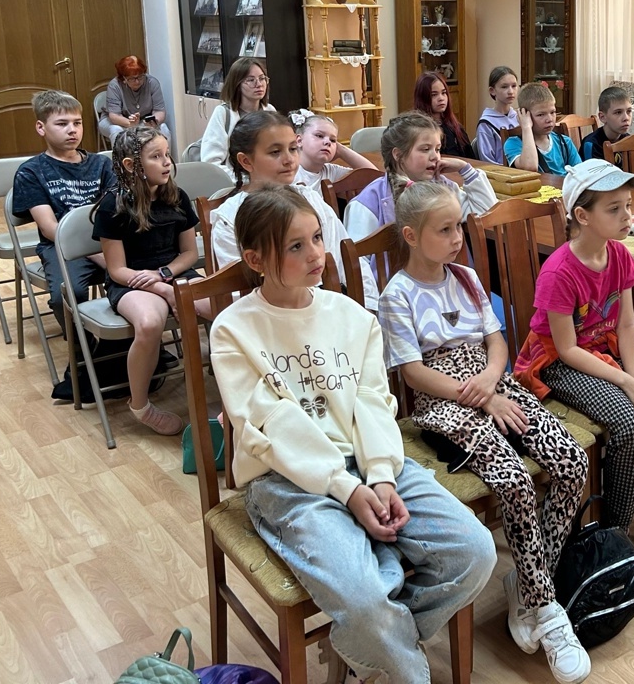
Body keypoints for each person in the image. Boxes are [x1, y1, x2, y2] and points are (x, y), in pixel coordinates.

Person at [209, 185, 497, 683]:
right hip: (285, 481)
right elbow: (270, 428)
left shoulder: (350, 315)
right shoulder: (233, 328)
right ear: (255, 260)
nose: (315, 254)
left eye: (317, 237)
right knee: (366, 599)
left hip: (371, 459)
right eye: (295, 246)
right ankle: (390, 647)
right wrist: (347, 490)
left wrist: (380, 476)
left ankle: (364, 636)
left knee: (474, 552)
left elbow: (373, 401)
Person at [378, 181, 591, 683]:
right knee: (513, 480)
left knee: (571, 462)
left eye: (459, 226)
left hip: (492, 381)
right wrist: (481, 396)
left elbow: (496, 342)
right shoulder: (397, 295)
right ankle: (546, 607)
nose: (458, 237)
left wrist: (494, 380)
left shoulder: (468, 277)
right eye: (444, 229)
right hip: (445, 400)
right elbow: (414, 373)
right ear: (411, 236)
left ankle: (529, 582)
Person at [514, 159, 634, 552]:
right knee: (631, 427)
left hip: (606, 349)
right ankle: (614, 528)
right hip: (559, 363)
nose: (627, 216)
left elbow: (627, 324)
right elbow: (566, 349)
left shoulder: (619, 255)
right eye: (614, 209)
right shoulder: (559, 271)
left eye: (628, 206)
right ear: (582, 216)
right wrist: (625, 382)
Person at [91, 125, 199, 436]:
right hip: (131, 281)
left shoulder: (177, 196)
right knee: (150, 323)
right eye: (156, 156)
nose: (167, 162)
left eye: (167, 154)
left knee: (222, 305)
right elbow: (117, 270)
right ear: (130, 165)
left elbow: (190, 253)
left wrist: (165, 275)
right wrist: (163, 289)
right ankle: (140, 405)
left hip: (172, 272)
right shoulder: (113, 205)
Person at [209, 110, 368, 305]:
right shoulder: (229, 218)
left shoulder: (311, 198)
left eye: (293, 149)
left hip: (328, 305)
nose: (289, 159)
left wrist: (366, 304)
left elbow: (345, 257)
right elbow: (238, 293)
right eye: (275, 152)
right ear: (246, 161)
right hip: (273, 313)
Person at [12, 89, 116, 331]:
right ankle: (82, 347)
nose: (72, 130)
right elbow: (50, 228)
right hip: (61, 246)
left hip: (107, 240)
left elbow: (115, 211)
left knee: (136, 276)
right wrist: (96, 255)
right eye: (62, 124)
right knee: (67, 295)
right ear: (41, 128)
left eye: (77, 123)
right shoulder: (31, 172)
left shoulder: (101, 164)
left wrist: (110, 254)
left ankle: (127, 341)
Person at [344, 112, 496, 243]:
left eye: (437, 149)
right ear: (398, 154)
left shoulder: (443, 187)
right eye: (425, 149)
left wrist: (466, 169)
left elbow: (487, 215)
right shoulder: (368, 203)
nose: (435, 157)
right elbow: (358, 260)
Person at [200, 58, 275, 166]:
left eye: (262, 78)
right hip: (234, 175)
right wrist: (239, 176)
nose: (259, 84)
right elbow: (211, 163)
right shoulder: (223, 113)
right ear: (237, 84)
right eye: (251, 80)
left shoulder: (269, 110)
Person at [505, 82, 581, 176]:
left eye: (552, 112)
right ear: (524, 115)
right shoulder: (513, 143)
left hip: (565, 185)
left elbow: (580, 173)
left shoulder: (564, 142)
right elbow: (530, 167)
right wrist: (526, 127)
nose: (549, 119)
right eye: (541, 115)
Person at [291, 111, 377, 187]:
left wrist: (341, 150)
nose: (328, 142)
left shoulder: (331, 171)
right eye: (319, 136)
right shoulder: (289, 173)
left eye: (333, 140)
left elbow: (375, 177)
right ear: (299, 140)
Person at [101, 56, 171, 148]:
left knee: (163, 128)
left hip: (143, 121)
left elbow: (159, 111)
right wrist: (131, 124)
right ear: (123, 78)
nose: (137, 81)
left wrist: (154, 121)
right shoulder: (114, 86)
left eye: (140, 77)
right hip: (117, 121)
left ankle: (166, 157)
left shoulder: (152, 83)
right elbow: (115, 116)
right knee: (117, 131)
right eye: (132, 79)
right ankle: (121, 157)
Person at [414, 71, 475, 159]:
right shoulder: (417, 130)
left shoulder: (455, 127)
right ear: (422, 98)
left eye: (443, 93)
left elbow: (471, 159)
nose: (441, 98)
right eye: (434, 95)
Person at [476, 66, 519, 164]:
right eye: (504, 87)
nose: (511, 91)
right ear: (492, 90)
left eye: (514, 86)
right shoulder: (486, 124)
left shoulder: (519, 117)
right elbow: (487, 161)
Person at [580, 86, 632, 163]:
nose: (626, 118)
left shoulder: (629, 140)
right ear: (602, 117)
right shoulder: (592, 144)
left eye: (629, 111)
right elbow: (594, 170)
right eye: (618, 112)